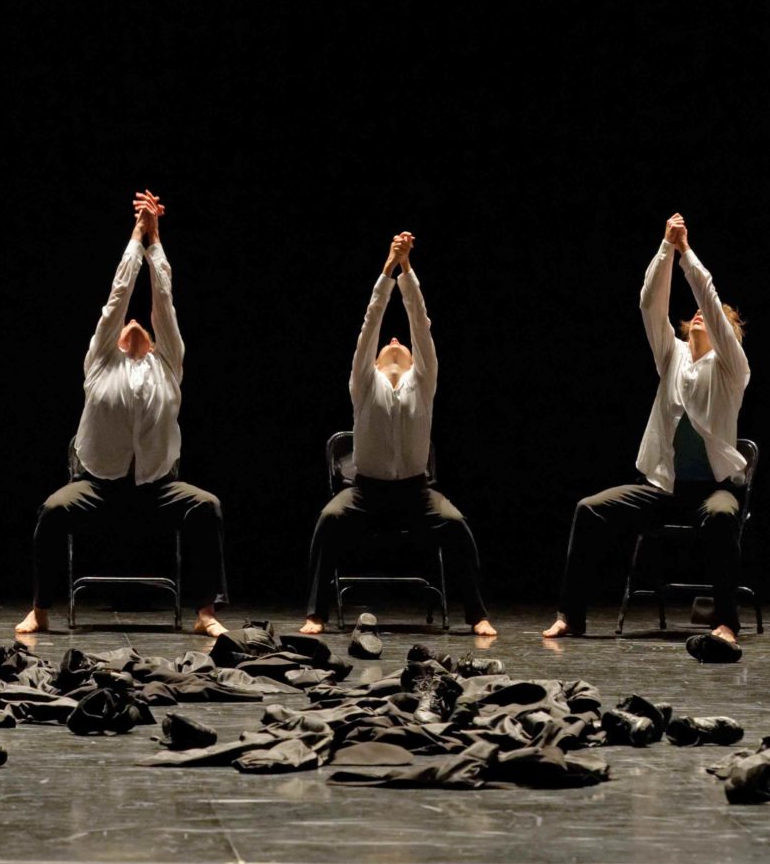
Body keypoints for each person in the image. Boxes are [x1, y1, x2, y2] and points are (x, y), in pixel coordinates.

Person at [16, 190, 229, 637]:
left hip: (158, 487)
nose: (135, 322)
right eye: (126, 326)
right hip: (98, 484)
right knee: (53, 510)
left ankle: (206, 612)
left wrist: (156, 242)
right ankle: (40, 608)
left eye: (143, 324)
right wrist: (137, 235)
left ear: (152, 339)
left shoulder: (168, 364)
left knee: (207, 506)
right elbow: (117, 299)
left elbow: (163, 303)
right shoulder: (100, 362)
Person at [544, 214, 751, 642]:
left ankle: (726, 622)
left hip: (712, 489)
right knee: (589, 508)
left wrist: (688, 254)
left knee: (720, 517)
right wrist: (665, 248)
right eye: (692, 314)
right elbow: (649, 305)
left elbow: (709, 301)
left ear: (725, 333)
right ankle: (571, 616)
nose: (699, 315)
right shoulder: (671, 355)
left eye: (714, 319)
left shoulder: (732, 368)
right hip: (663, 488)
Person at [300, 232, 496, 637]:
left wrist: (407, 271)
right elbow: (371, 323)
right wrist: (387, 271)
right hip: (365, 493)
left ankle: (477, 614)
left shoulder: (423, 382)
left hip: (416, 493)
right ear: (371, 361)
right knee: (328, 520)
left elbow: (419, 325)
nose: (394, 340)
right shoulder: (363, 383)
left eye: (401, 343)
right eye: (388, 343)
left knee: (456, 524)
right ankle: (316, 614)